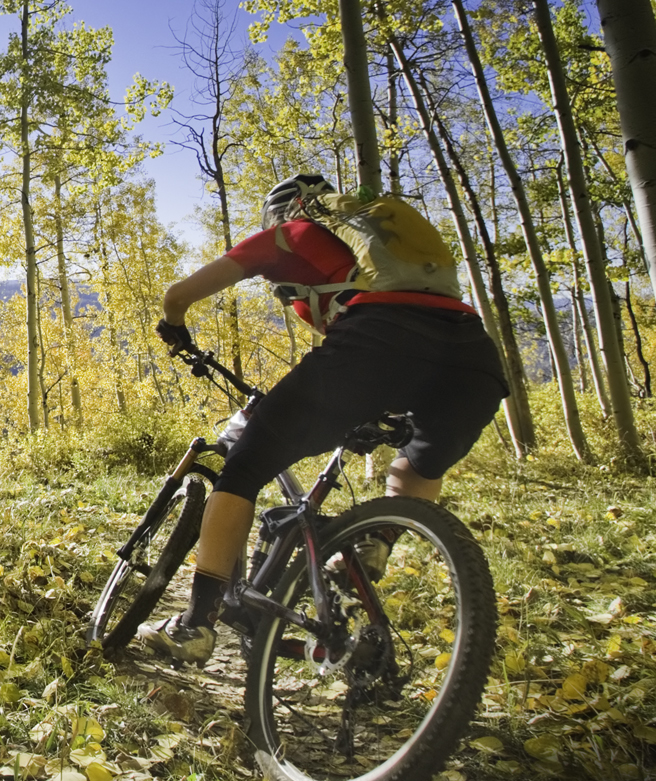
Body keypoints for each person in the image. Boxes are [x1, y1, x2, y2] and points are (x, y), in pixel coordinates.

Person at [140, 173, 509, 664]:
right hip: (474, 358)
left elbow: (179, 293)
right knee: (419, 466)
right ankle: (373, 543)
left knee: (245, 467)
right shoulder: (384, 253)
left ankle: (196, 626)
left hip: (380, 342)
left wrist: (175, 326)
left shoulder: (288, 237)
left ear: (285, 213)